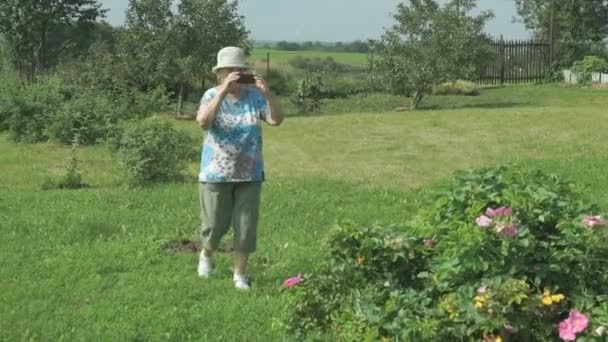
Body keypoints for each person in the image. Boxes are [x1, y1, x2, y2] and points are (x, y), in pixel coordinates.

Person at [195, 46, 283, 290]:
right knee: (214, 224)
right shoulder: (211, 94)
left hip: (250, 173)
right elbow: (203, 122)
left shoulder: (255, 96)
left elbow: (276, 120)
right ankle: (206, 255)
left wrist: (268, 95)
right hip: (215, 172)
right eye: (230, 71)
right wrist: (222, 93)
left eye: (240, 70)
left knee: (245, 227)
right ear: (219, 75)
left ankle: (239, 275)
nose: (236, 75)